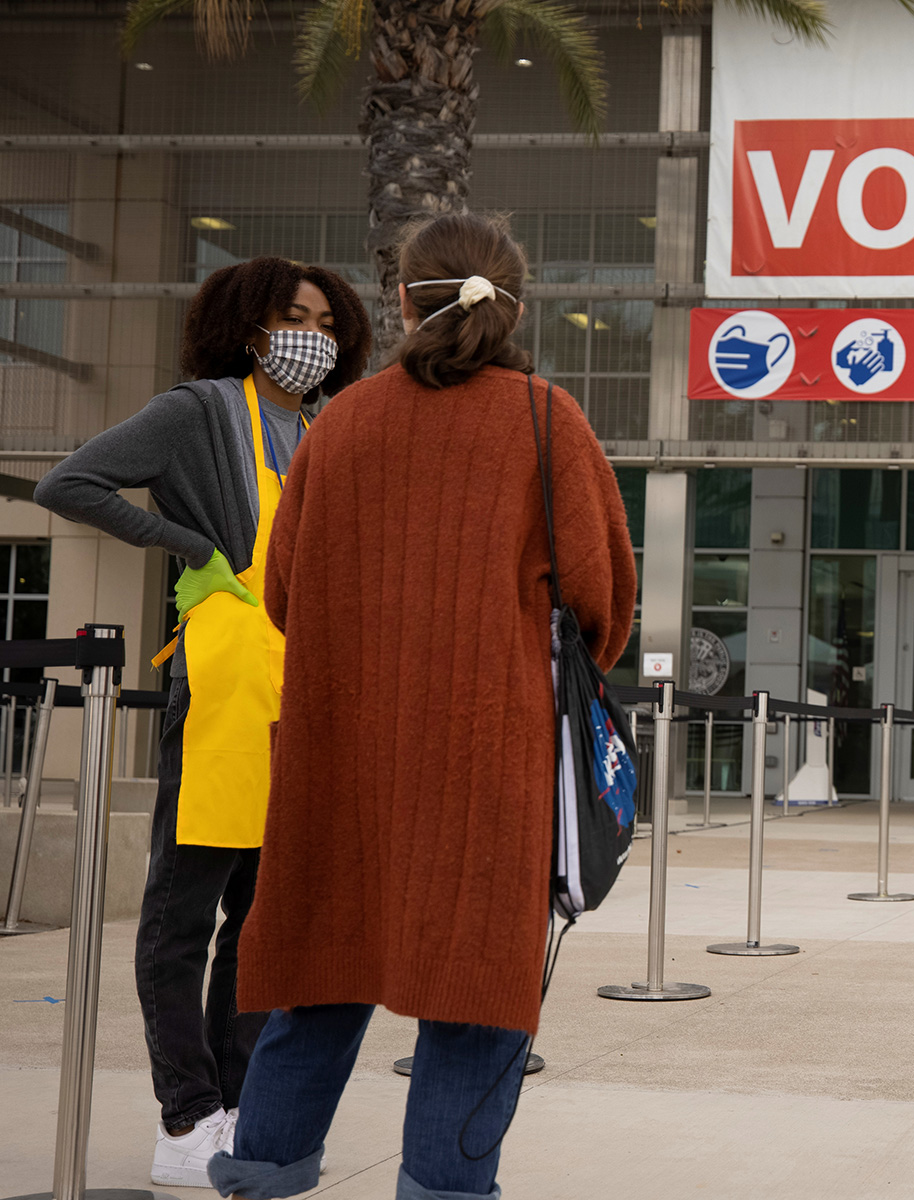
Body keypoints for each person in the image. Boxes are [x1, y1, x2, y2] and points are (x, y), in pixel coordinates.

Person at [205, 212, 637, 1200]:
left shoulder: (340, 423)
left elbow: (281, 593)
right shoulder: (544, 420)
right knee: (476, 990)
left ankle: (260, 1178)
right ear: (517, 306)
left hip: (338, 755)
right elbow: (601, 606)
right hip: (488, 760)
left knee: (318, 973)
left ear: (401, 300)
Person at [34, 257, 372, 1188]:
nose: (314, 338)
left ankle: (235, 1106)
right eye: (294, 318)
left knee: (261, 922)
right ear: (251, 326)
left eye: (328, 324)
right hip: (223, 684)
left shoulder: (321, 428)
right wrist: (188, 545)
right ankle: (183, 1118)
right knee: (182, 918)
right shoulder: (198, 411)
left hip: (300, 694)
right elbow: (69, 484)